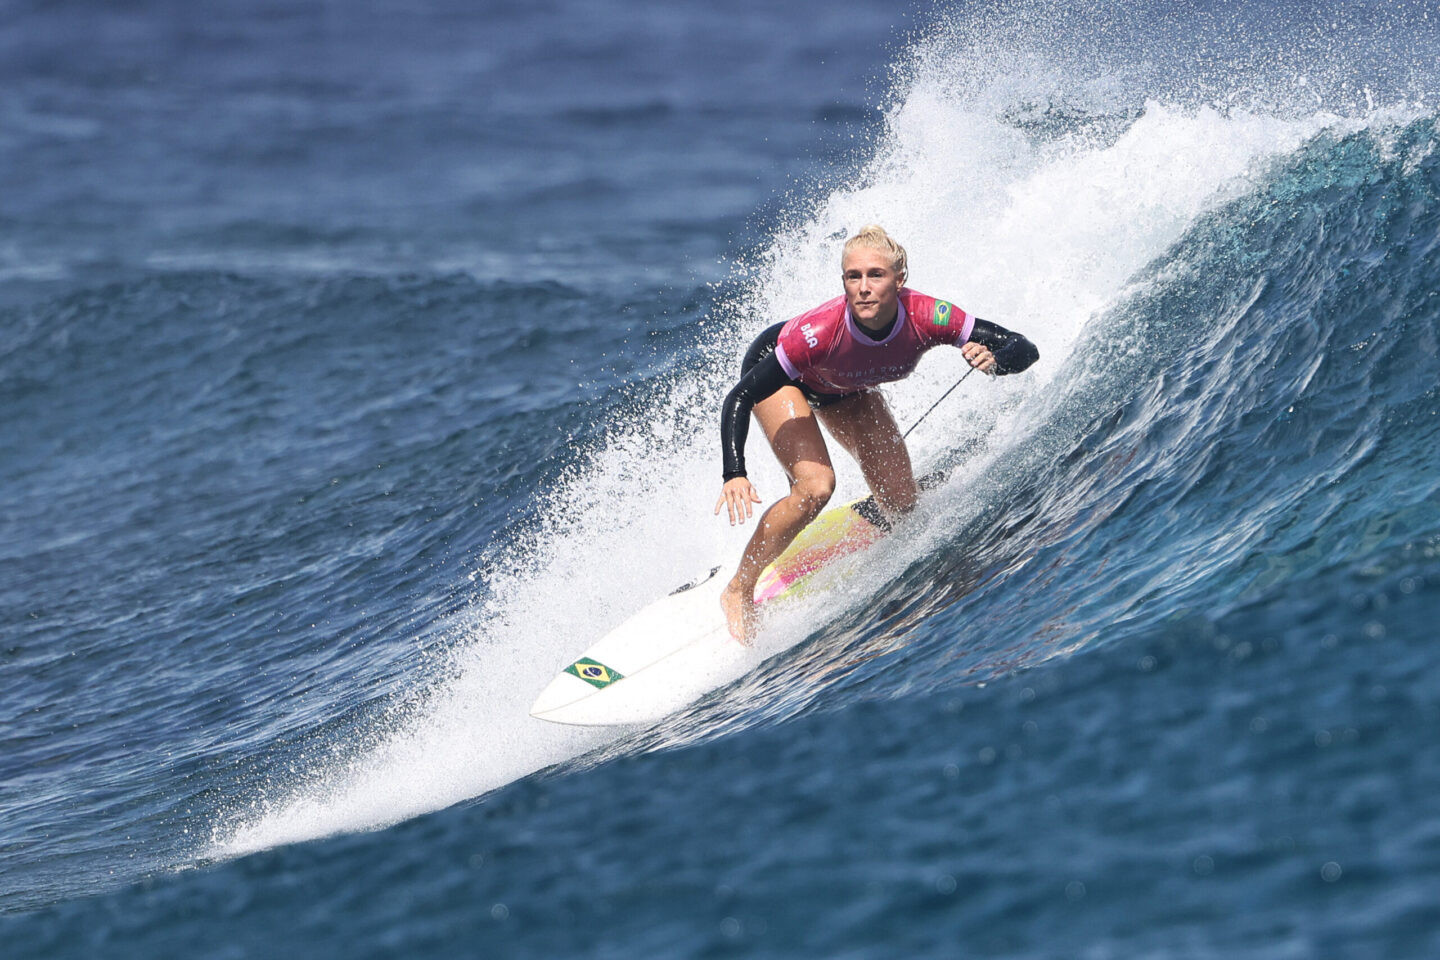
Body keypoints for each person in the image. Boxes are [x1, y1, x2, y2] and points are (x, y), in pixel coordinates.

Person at [714, 225, 1038, 642]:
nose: (864, 288)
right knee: (816, 487)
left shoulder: (928, 315)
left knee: (902, 506)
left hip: (843, 388)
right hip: (782, 377)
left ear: (899, 280)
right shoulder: (817, 333)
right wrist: (733, 471)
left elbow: (1024, 347)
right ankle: (739, 588)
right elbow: (739, 396)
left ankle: (821, 520)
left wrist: (994, 360)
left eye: (876, 275)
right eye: (853, 277)